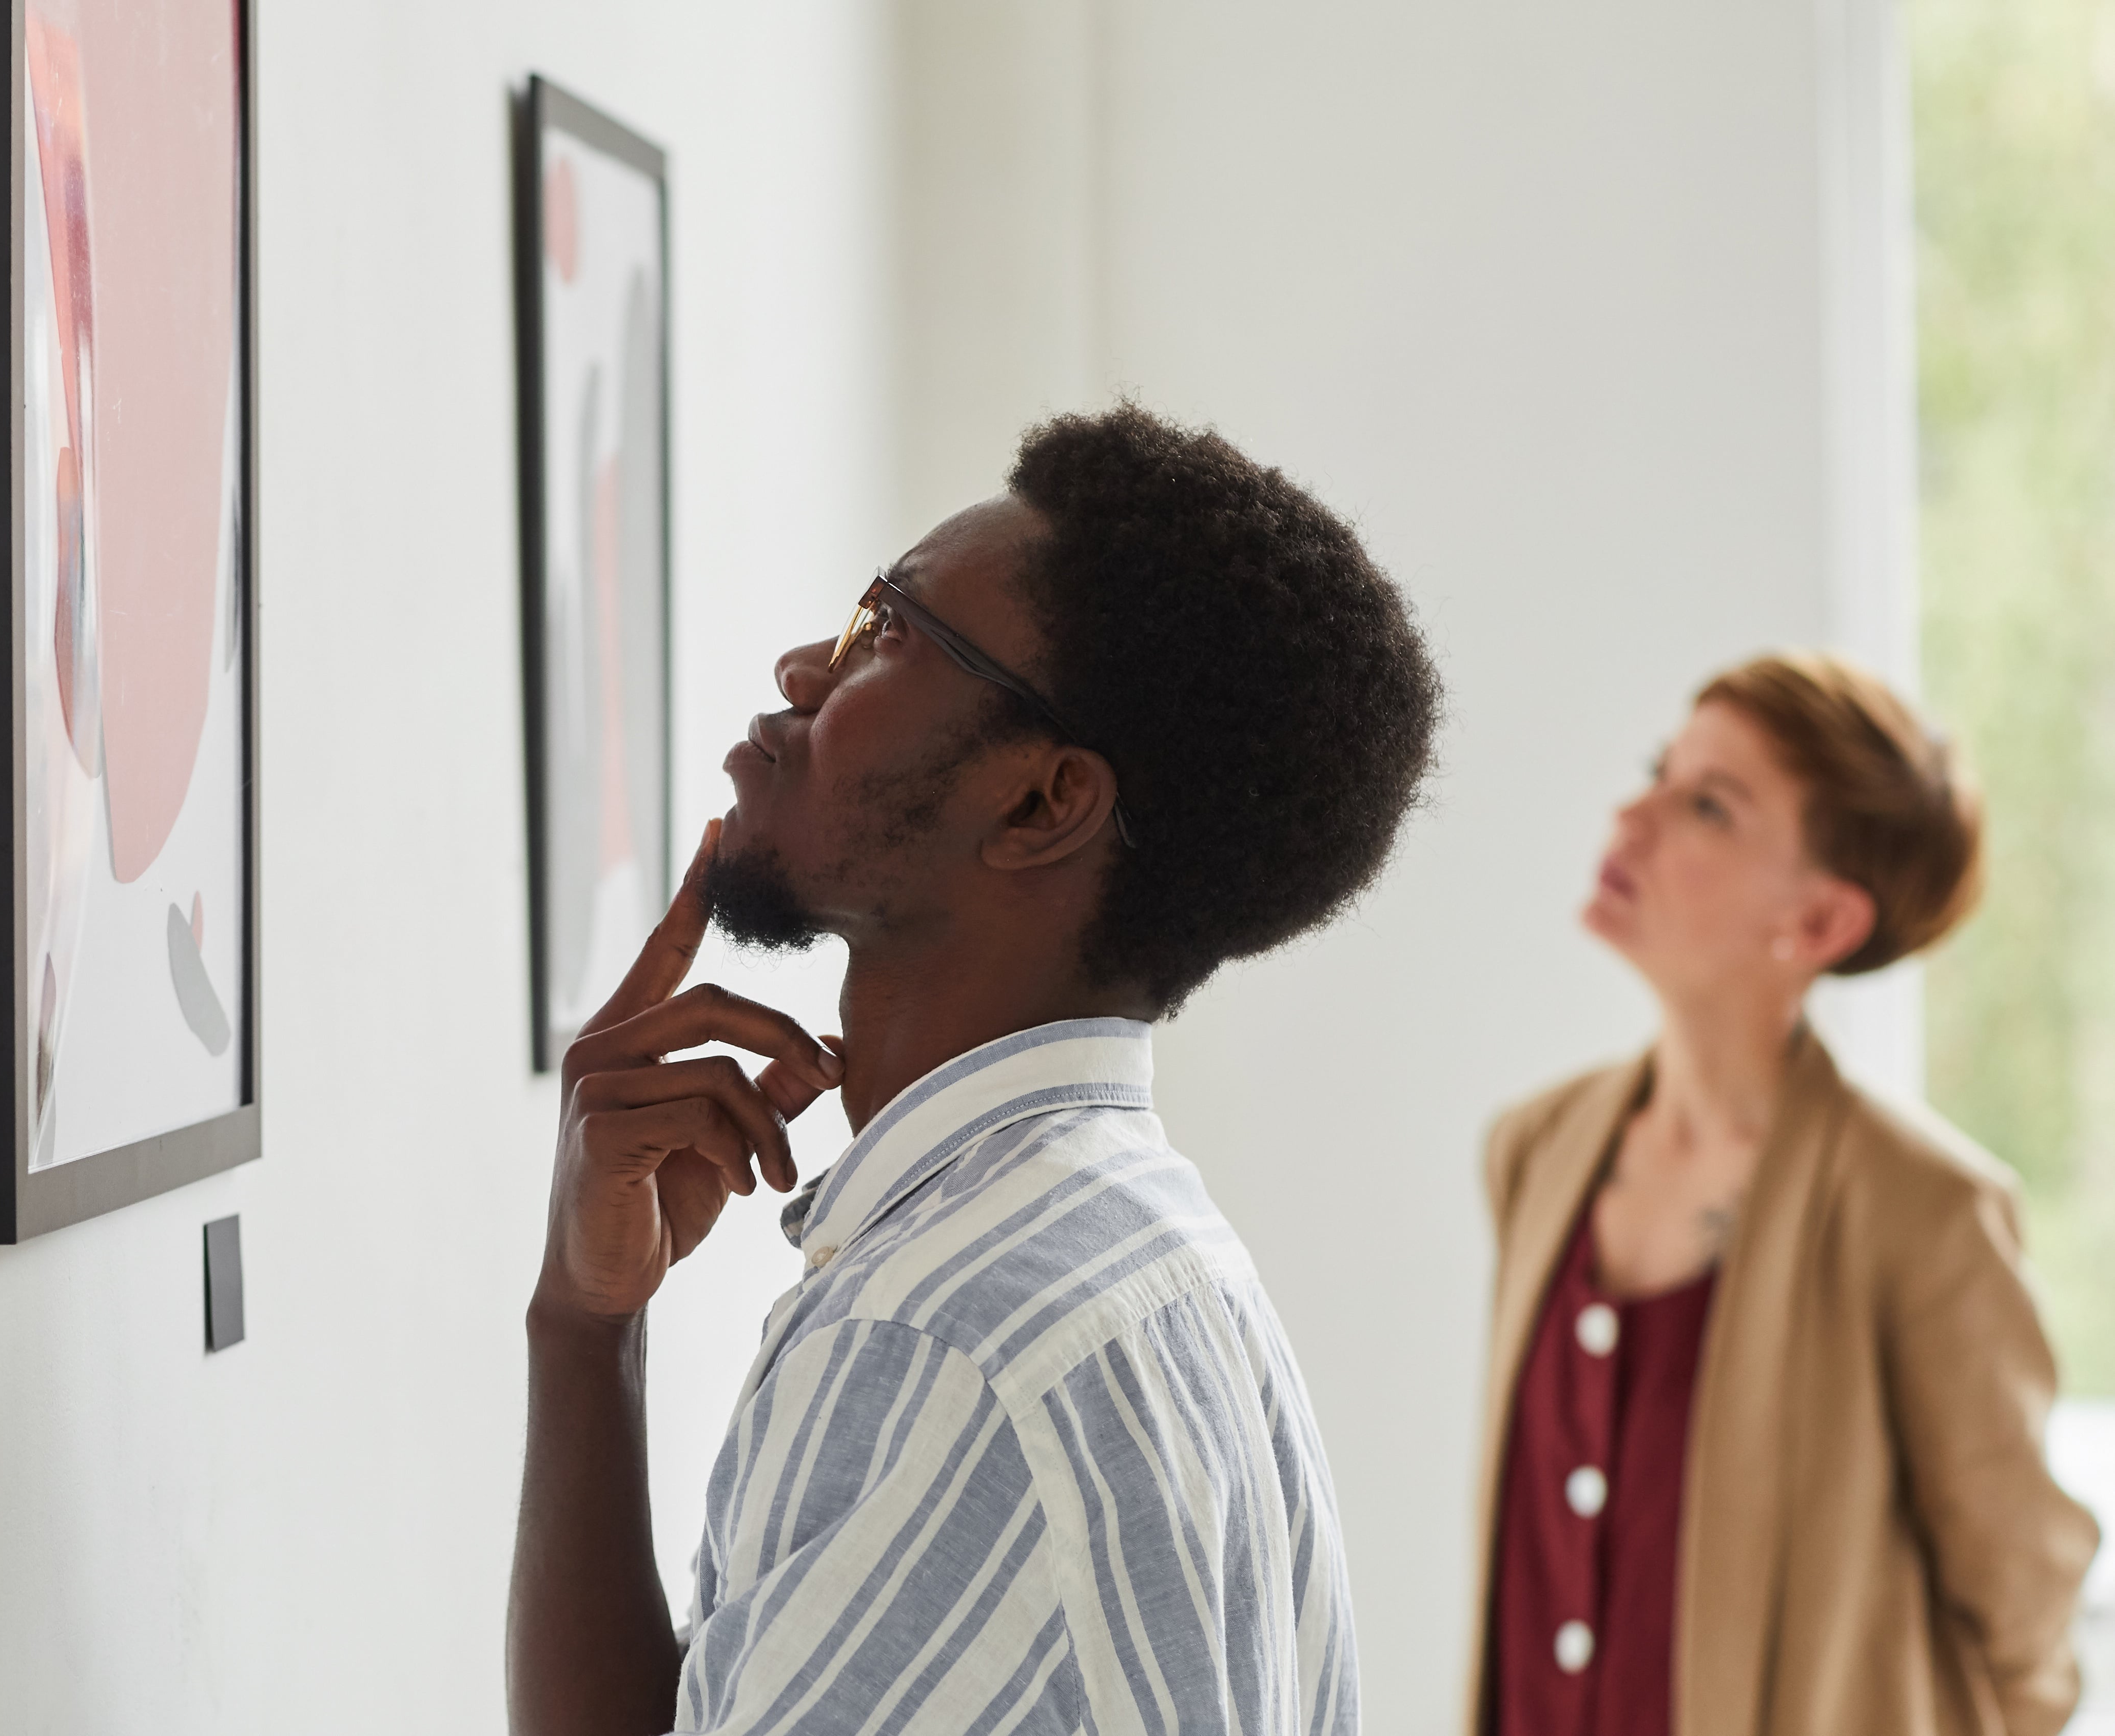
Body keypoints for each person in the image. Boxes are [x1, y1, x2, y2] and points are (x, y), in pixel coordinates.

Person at [507, 405, 1443, 1735]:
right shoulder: (1154, 1248)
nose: (799, 669)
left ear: (1040, 803)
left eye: (888, 634)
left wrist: (581, 1331)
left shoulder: (939, 1344)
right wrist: (585, 1325)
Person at [1470, 652, 2099, 1736]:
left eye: (1708, 806)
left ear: (1819, 926)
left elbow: (2025, 1615)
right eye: (1658, 770)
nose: (1634, 815)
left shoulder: (1924, 1212)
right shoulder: (1537, 1153)